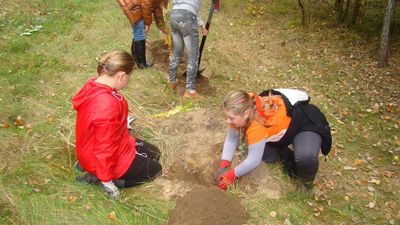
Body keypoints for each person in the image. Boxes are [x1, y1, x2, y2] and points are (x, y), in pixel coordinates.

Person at [72, 49, 162, 198]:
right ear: (121, 76)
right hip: (101, 158)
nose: (129, 80)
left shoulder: (94, 86)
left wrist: (121, 122)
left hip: (99, 146)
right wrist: (107, 181)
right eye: (129, 76)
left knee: (155, 153)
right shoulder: (106, 105)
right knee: (155, 170)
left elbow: (99, 125)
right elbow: (104, 148)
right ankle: (103, 179)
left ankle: (93, 170)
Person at [214, 89, 332, 191]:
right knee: (265, 154)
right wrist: (224, 164)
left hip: (303, 125)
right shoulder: (242, 107)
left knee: (305, 157)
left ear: (246, 113)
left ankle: (307, 184)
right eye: (227, 117)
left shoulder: (256, 125)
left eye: (231, 118)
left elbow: (253, 161)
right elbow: (231, 139)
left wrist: (231, 175)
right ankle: (286, 155)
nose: (228, 121)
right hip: (280, 132)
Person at [168, 0, 208, 98]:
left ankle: (171, 80)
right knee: (193, 56)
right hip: (188, 18)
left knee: (177, 51)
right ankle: (190, 91)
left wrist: (201, 24)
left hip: (174, 15)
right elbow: (188, 11)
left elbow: (185, 9)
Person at [117, 0, 168, 69]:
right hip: (134, 6)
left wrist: (161, 25)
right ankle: (141, 64)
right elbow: (146, 5)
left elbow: (157, 7)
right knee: (140, 33)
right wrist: (147, 23)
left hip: (137, 5)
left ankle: (136, 60)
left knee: (138, 33)